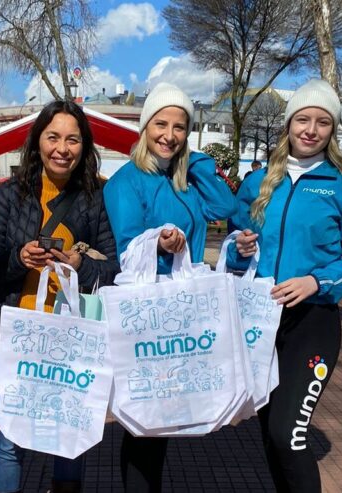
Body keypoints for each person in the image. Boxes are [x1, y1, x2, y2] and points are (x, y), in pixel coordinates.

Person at [230, 79, 342, 492]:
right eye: (303, 119)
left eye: (322, 122)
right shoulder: (258, 182)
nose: (311, 130)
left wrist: (317, 281)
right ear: (288, 124)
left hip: (312, 324)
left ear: (332, 130)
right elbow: (233, 249)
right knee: (269, 436)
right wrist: (239, 248)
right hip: (260, 323)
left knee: (288, 434)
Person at [0, 100, 120, 493]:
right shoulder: (9, 195)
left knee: (69, 434)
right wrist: (18, 259)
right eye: (53, 137)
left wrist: (81, 265)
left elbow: (113, 267)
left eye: (73, 140)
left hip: (71, 334)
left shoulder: (96, 197)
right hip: (14, 333)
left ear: (84, 147)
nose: (62, 149)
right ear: (37, 141)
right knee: (11, 439)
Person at [103, 82, 237, 491]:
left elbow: (224, 207)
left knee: (163, 420)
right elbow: (127, 250)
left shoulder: (185, 180)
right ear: (145, 127)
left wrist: (193, 160)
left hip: (183, 307)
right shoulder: (126, 182)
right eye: (161, 124)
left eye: (180, 127)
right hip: (149, 313)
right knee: (147, 422)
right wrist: (158, 242)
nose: (170, 135)